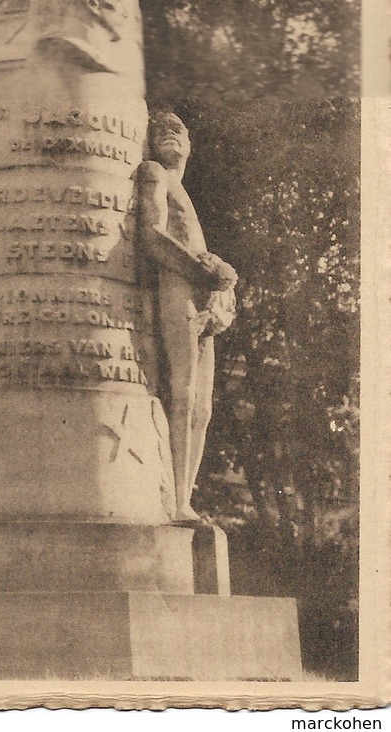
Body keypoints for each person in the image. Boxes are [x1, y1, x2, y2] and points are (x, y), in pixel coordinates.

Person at [138, 110, 237, 522]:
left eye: (178, 130)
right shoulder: (154, 173)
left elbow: (211, 265)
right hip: (179, 283)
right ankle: (176, 503)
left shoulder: (184, 188)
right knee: (183, 391)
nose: (170, 136)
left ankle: (185, 498)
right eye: (161, 131)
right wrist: (205, 271)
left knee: (203, 407)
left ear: (190, 143)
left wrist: (223, 298)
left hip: (204, 291)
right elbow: (152, 234)